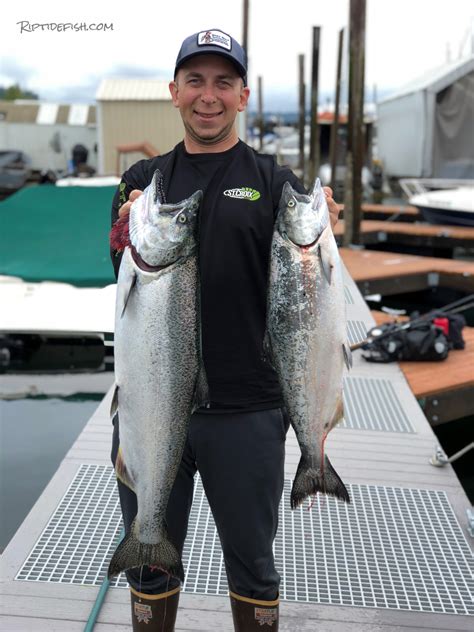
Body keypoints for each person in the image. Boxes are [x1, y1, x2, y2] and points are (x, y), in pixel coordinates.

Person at [110, 28, 340, 632]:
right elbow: (120, 269)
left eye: (222, 83)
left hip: (250, 410)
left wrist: (327, 231)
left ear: (242, 96)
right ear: (174, 92)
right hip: (151, 408)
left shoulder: (276, 181)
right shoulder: (143, 181)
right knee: (149, 564)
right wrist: (121, 232)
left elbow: (311, 268)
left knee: (253, 566)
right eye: (195, 81)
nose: (207, 96)